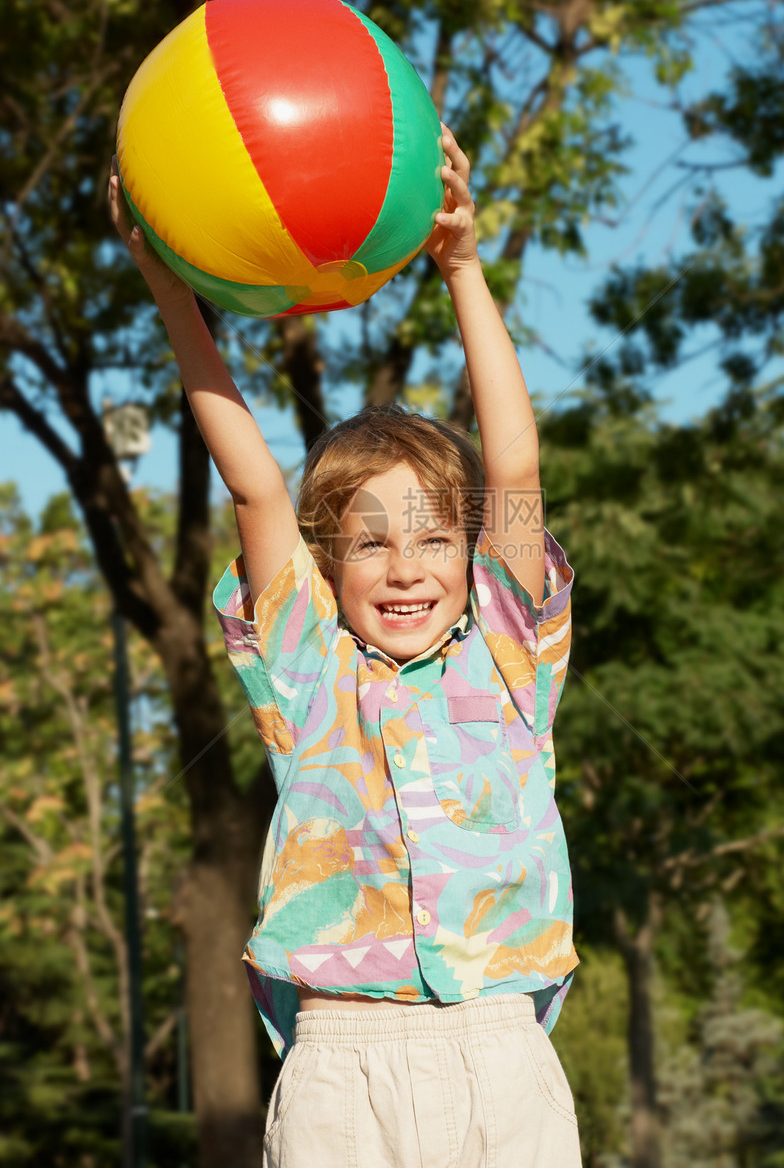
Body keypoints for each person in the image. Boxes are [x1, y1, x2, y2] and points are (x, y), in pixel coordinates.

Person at [109, 129, 581, 1167]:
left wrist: (461, 265)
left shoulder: (507, 655)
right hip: (337, 1057)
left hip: (499, 1048)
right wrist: (166, 283)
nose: (405, 565)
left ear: (469, 551)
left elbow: (511, 458)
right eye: (368, 542)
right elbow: (257, 487)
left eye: (431, 537)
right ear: (327, 568)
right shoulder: (307, 670)